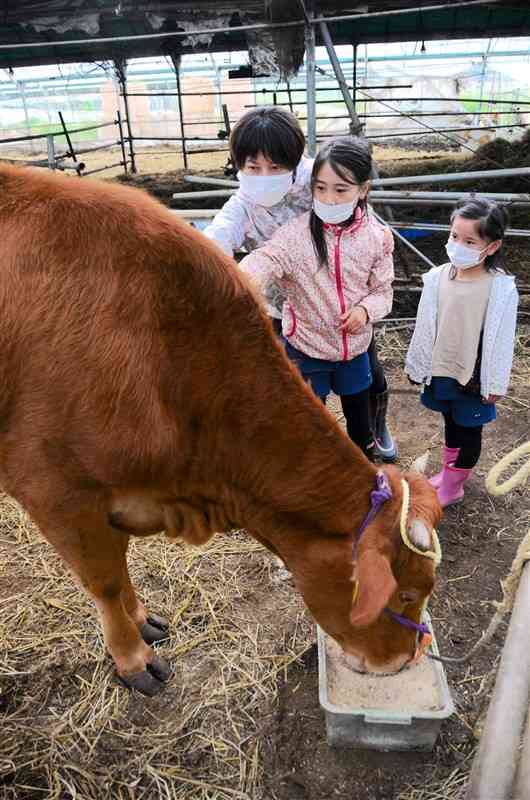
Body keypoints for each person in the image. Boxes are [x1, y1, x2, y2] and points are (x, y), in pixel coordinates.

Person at [204, 107, 398, 460]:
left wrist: (366, 300)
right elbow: (220, 236)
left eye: (276, 167)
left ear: (295, 161)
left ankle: (374, 424)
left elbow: (360, 217)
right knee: (298, 385)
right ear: (238, 165)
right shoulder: (243, 204)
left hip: (346, 302)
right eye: (252, 167)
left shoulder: (320, 179)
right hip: (286, 307)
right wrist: (216, 273)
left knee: (368, 371)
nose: (264, 176)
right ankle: (313, 448)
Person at [405, 198, 518, 507]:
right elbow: (426, 325)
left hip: (473, 377)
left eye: (470, 241)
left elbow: (504, 339)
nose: (458, 245)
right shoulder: (438, 276)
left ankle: (455, 486)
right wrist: (418, 363)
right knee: (450, 421)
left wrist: (495, 382)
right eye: (455, 236)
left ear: (491, 247)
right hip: (442, 370)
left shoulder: (500, 289)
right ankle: (447, 474)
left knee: (469, 429)